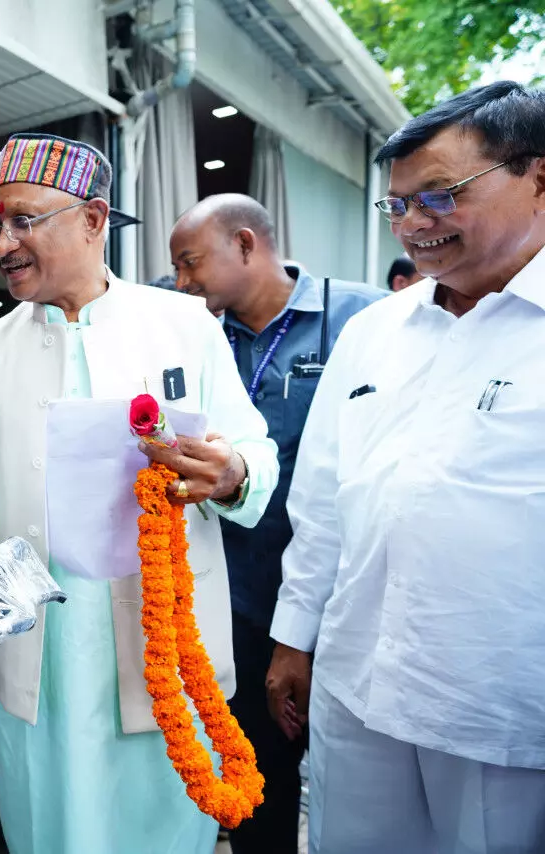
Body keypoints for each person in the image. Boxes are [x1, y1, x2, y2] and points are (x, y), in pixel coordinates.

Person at [0, 132, 279, 853]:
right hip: (37, 660)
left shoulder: (185, 327)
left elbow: (255, 452)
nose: (3, 243)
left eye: (23, 220)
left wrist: (232, 471)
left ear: (93, 218)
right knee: (46, 828)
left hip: (160, 643)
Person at [267, 81, 545, 853]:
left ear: (537, 178)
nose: (414, 224)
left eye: (440, 196)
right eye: (397, 204)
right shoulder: (374, 332)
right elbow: (322, 501)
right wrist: (293, 639)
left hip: (497, 708)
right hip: (356, 685)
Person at [169, 195, 383, 854]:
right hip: (235, 600)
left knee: (360, 790)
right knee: (255, 783)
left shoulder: (362, 319)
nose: (181, 282)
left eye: (190, 262)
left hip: (341, 599)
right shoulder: (192, 335)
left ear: (245, 244)